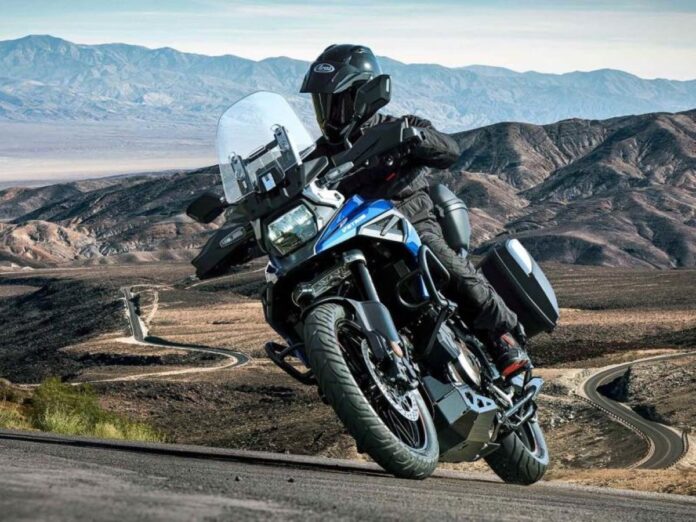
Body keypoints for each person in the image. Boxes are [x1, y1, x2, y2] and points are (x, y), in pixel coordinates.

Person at [300, 44, 530, 379]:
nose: (327, 112)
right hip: (352, 236)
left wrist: (417, 137)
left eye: (336, 101)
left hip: (408, 217)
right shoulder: (316, 159)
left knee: (444, 263)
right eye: (321, 102)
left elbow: (449, 149)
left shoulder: (398, 126)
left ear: (362, 96)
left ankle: (502, 335)